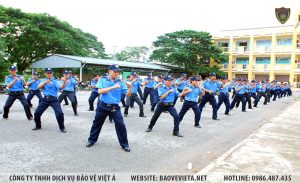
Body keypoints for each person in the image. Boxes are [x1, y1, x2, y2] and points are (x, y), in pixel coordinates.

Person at [86, 64, 132, 152]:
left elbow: (127, 94)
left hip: (114, 108)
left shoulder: (120, 82)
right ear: (109, 71)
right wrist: (113, 87)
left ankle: (124, 144)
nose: (116, 73)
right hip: (102, 106)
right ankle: (91, 140)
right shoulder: (102, 80)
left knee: (120, 125)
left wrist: (130, 87)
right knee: (97, 124)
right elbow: (100, 91)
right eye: (115, 71)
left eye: (118, 72)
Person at [32, 68, 67, 133]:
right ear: (45, 73)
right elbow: (38, 87)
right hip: (45, 99)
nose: (49, 74)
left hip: (54, 100)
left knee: (59, 113)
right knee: (36, 113)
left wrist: (64, 82)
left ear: (52, 73)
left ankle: (62, 127)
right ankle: (38, 125)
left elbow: (61, 87)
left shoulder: (55, 81)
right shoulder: (43, 80)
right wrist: (45, 82)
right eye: (47, 73)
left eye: (50, 73)